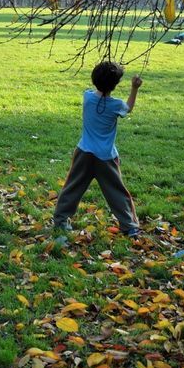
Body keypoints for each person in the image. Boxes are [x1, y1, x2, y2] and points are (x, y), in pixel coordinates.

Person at [53, 61, 143, 241]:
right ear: (115, 85)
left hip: (84, 153)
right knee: (116, 191)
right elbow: (129, 108)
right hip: (106, 157)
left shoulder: (87, 97)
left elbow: (97, 90)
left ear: (94, 80)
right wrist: (134, 88)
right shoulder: (116, 105)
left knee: (72, 188)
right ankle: (130, 227)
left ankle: (61, 221)